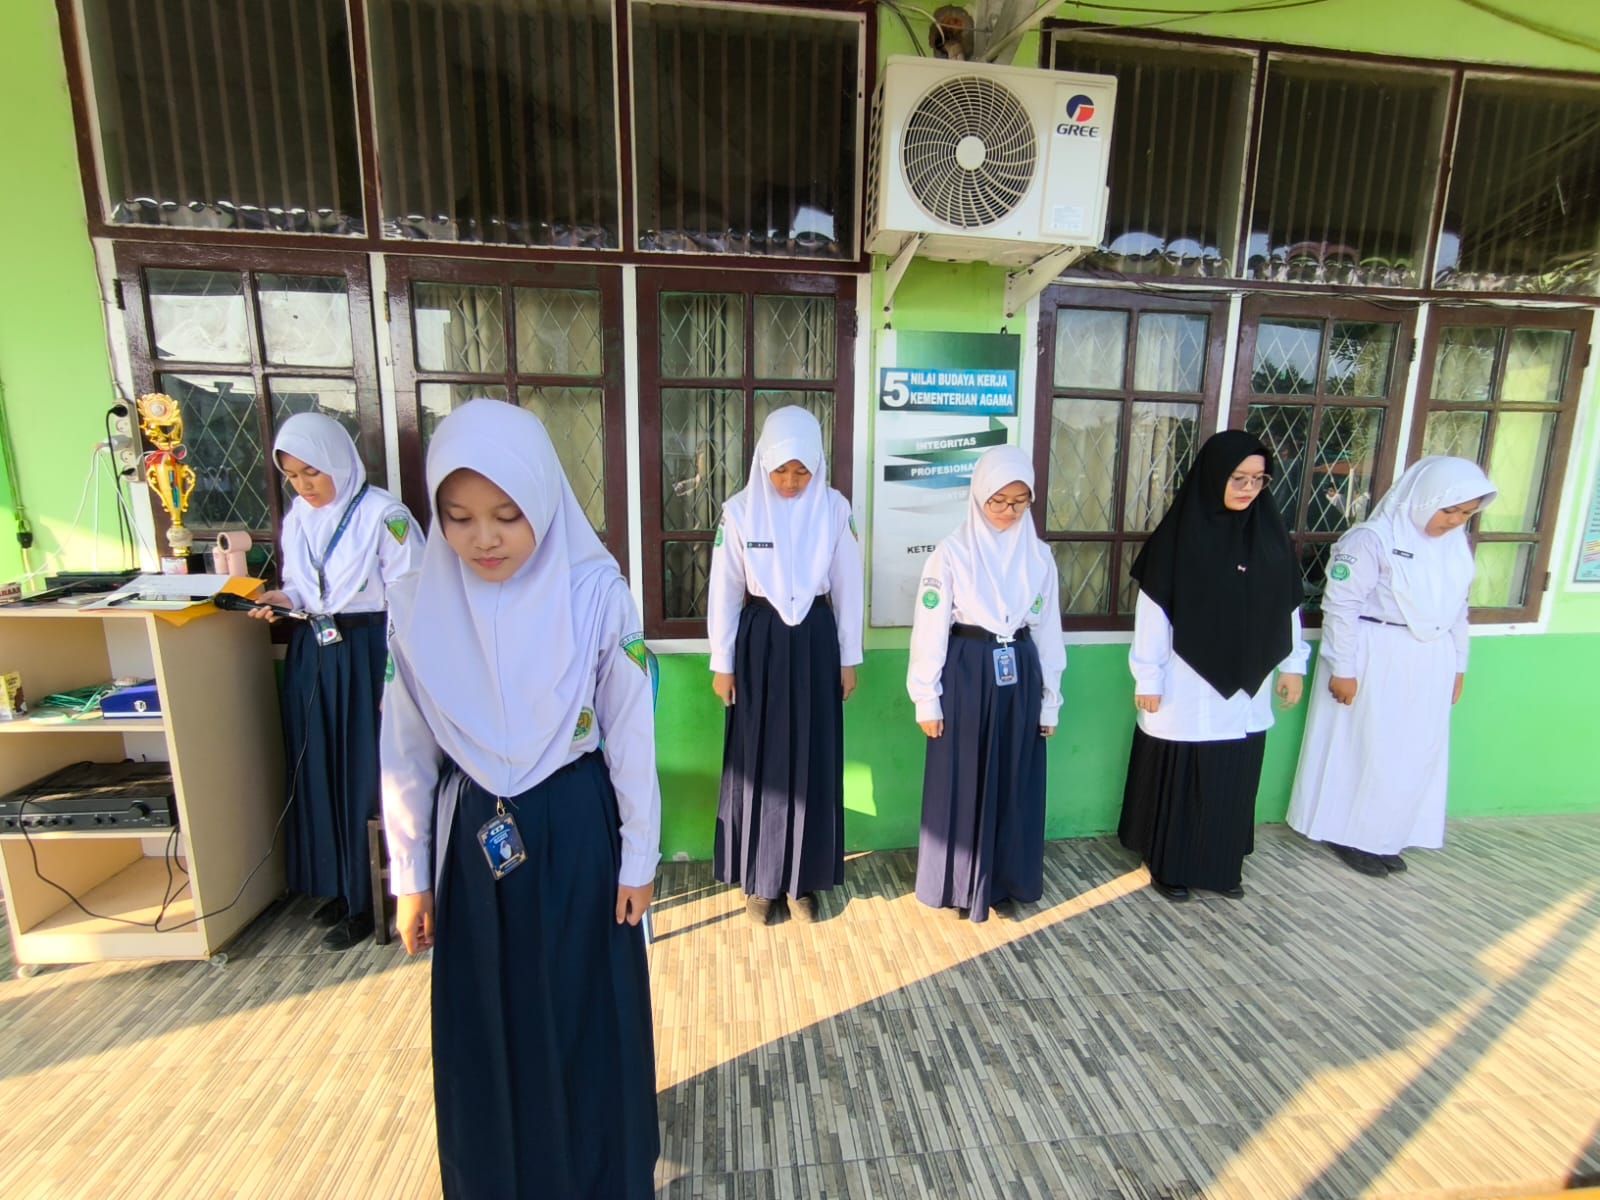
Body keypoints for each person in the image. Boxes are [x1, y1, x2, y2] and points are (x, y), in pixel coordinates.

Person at [380, 399, 660, 1198]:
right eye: (459, 517)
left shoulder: (595, 593)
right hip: (473, 833)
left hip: (575, 824)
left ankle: (602, 1175)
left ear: (543, 499)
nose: (485, 539)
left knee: (584, 1008)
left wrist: (638, 857)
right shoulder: (416, 604)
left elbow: (629, 731)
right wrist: (410, 877)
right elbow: (404, 749)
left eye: (508, 515)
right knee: (485, 1017)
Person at [249, 412, 422, 950]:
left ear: (340, 462)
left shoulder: (384, 516)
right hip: (316, 648)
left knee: (366, 773)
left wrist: (399, 673)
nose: (304, 486)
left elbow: (411, 596)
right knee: (319, 766)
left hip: (370, 651)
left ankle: (376, 897)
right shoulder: (299, 517)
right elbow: (301, 584)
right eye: (293, 476)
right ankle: (340, 887)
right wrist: (283, 599)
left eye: (312, 472)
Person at [1117, 430, 1308, 902]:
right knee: (1185, 772)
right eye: (1238, 478)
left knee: (1232, 775)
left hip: (1249, 684)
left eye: (1259, 479)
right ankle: (1170, 866)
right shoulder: (1178, 539)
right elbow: (1153, 613)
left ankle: (1221, 866)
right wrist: (1148, 676)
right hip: (1186, 682)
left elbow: (1287, 608)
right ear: (1213, 475)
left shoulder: (1270, 537)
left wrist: (1293, 665)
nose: (1248, 489)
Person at [1287, 456, 1497, 876]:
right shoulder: (1371, 540)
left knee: (1413, 751)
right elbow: (1341, 606)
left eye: (1466, 514)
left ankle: (1388, 834)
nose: (1455, 521)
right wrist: (1342, 668)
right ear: (1424, 498)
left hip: (1430, 658)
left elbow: (1458, 609)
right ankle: (1351, 834)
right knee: (1368, 746)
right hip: (1374, 652)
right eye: (1449, 510)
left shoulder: (1454, 546)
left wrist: (1459, 666)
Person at [708, 406, 863, 925]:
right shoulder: (739, 512)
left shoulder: (835, 510)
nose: (791, 482)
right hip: (760, 642)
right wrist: (723, 662)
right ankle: (761, 881)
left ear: (817, 466)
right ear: (762, 464)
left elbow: (848, 587)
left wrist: (849, 657)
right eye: (781, 470)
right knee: (759, 757)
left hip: (816, 640)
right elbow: (725, 591)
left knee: (813, 754)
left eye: (802, 470)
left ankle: (803, 880)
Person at [907, 445, 1065, 923]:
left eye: (1019, 501)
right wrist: (926, 698)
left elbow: (1048, 631)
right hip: (967, 670)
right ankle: (959, 883)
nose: (1008, 511)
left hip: (1020, 671)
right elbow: (930, 628)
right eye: (998, 500)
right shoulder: (951, 554)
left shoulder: (1039, 556)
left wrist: (1050, 701)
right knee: (963, 775)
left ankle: (1004, 880)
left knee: (1014, 776)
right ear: (978, 496)